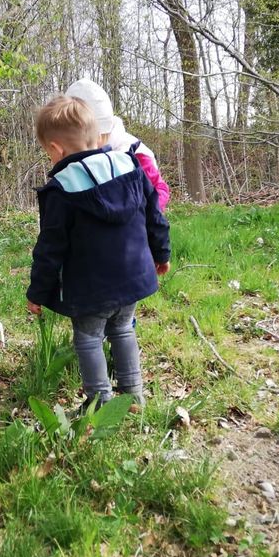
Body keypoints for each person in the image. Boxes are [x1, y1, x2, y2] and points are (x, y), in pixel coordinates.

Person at [26, 95, 171, 410]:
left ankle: (99, 402)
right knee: (122, 329)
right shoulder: (129, 165)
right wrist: (162, 253)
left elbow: (50, 248)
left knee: (89, 338)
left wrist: (38, 292)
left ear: (55, 149)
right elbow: (154, 215)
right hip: (133, 278)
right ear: (97, 136)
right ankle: (133, 395)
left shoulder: (61, 189)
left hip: (91, 289)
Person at [65, 78, 170, 212]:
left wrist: (144, 213)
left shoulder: (134, 153)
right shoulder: (81, 155)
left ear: (98, 134)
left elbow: (159, 189)